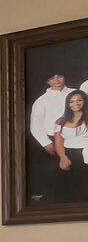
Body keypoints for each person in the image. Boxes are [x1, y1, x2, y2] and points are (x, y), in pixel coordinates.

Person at [29, 73, 73, 203]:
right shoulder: (42, 100)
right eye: (52, 78)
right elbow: (36, 124)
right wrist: (46, 143)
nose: (56, 80)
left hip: (76, 137)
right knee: (57, 175)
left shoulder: (76, 93)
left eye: (59, 76)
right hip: (53, 140)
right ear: (47, 81)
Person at [52, 88, 88, 201]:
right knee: (67, 191)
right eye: (71, 101)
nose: (75, 103)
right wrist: (63, 157)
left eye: (79, 100)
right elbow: (58, 142)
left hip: (85, 154)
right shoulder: (60, 121)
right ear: (67, 104)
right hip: (68, 155)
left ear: (85, 101)